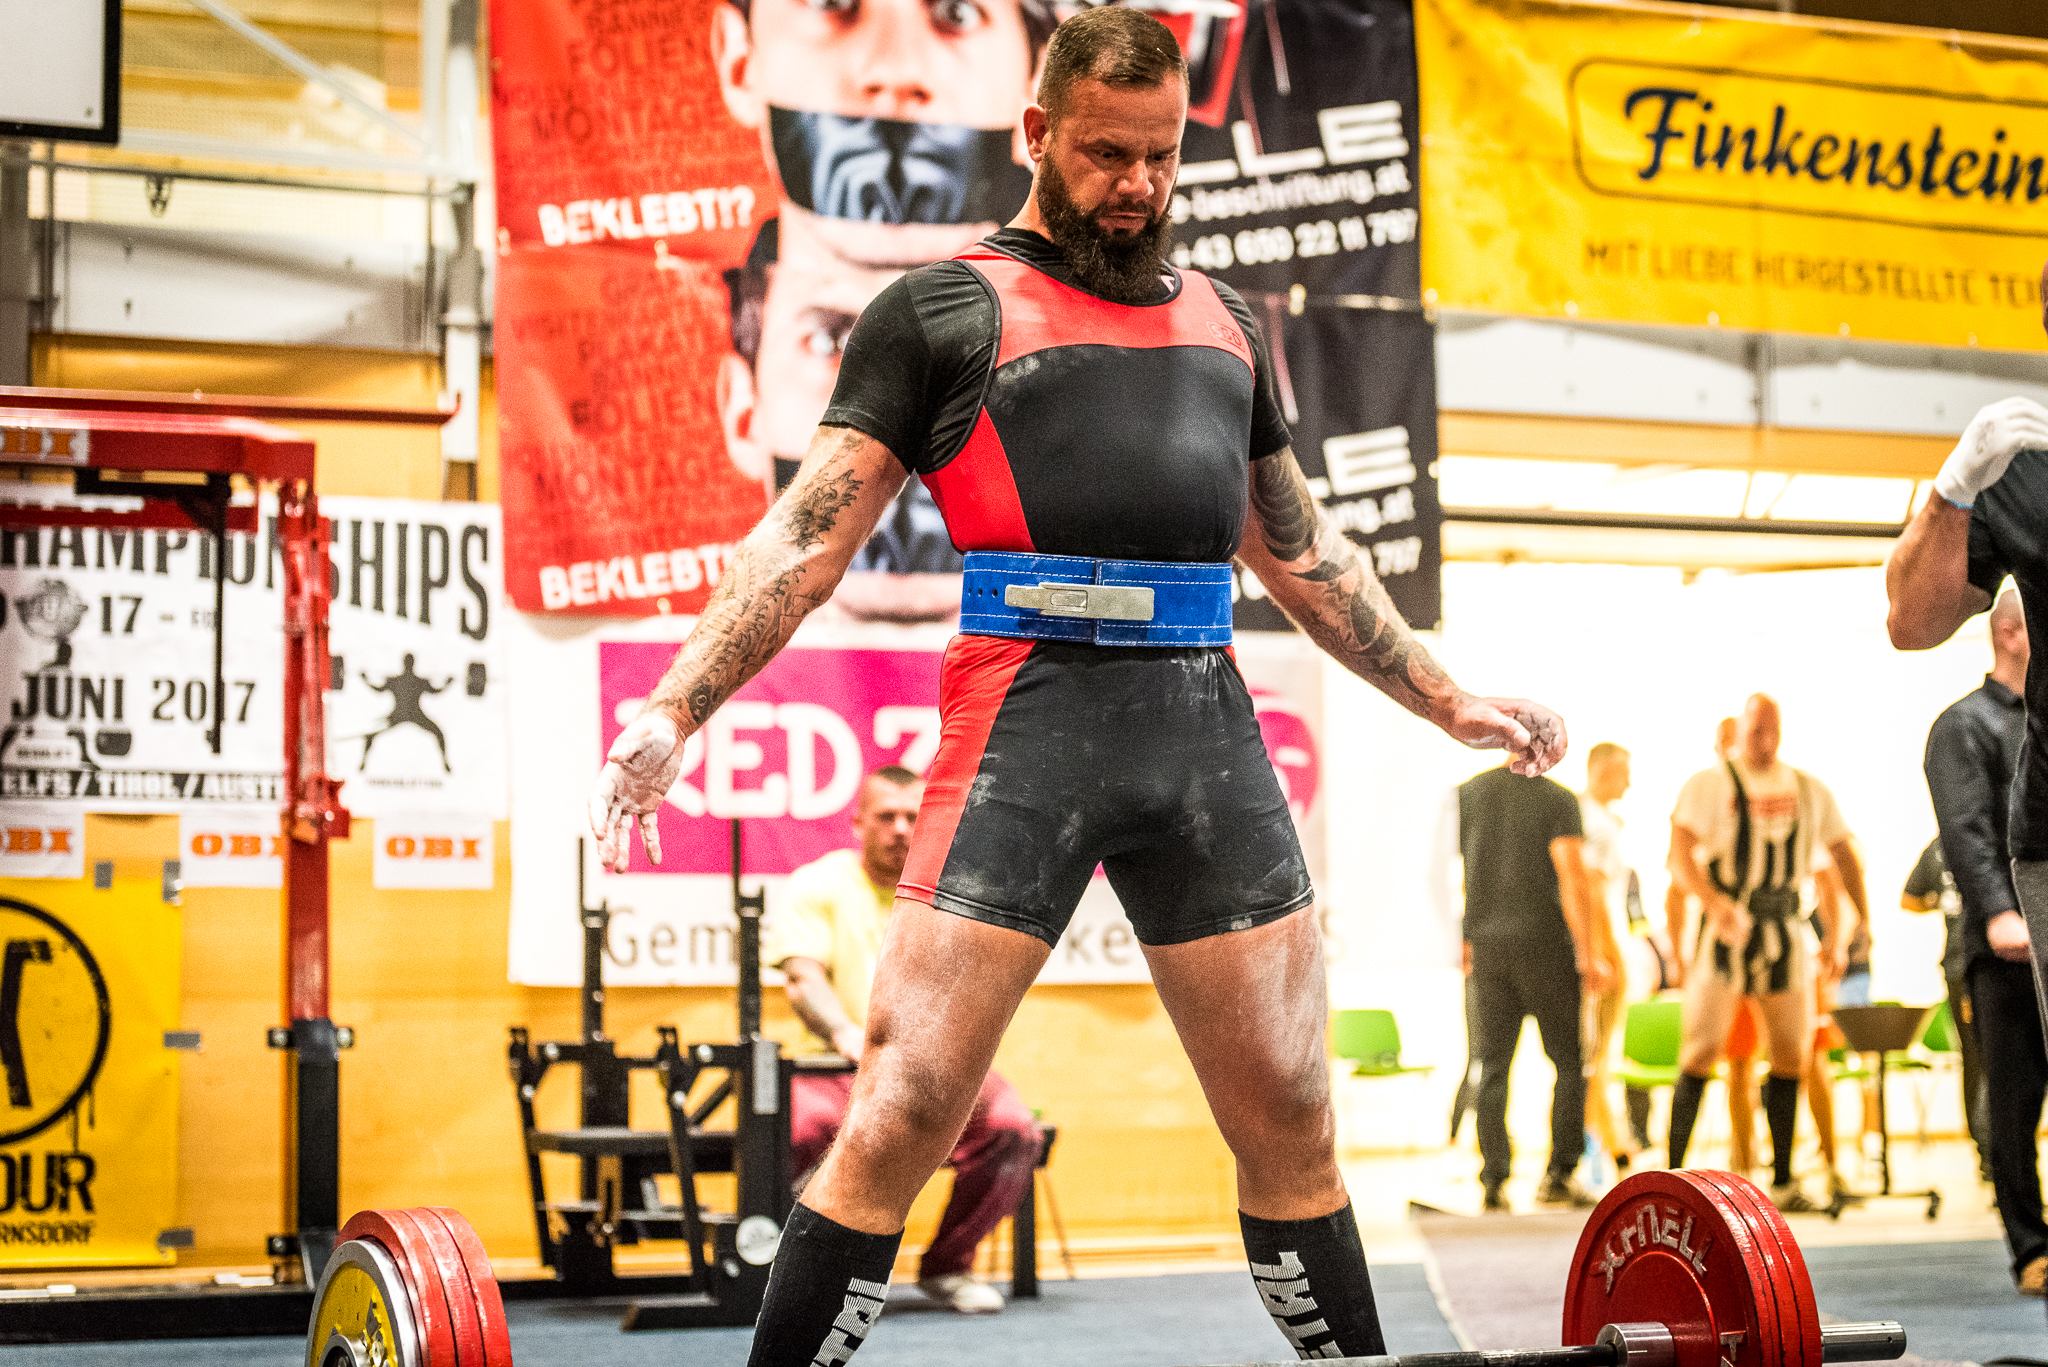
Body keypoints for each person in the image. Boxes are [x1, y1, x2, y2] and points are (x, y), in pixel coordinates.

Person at [590, 12, 1570, 1363]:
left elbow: (1300, 549)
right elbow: (802, 537)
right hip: (1026, 727)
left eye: (1162, 156)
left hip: (1202, 733)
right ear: (1036, 132)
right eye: (1108, 153)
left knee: (1293, 1112)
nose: (1138, 184)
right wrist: (673, 707)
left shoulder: (1226, 322)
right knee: (904, 1105)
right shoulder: (939, 312)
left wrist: (1445, 698)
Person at [768, 765, 1039, 1313]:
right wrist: (845, 1034)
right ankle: (784, 1272)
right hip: (832, 1068)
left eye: (913, 817)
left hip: (933, 1069)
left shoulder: (956, 893)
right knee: (797, 1131)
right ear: (858, 823)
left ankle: (948, 1267)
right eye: (886, 816)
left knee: (1011, 1129)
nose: (899, 828)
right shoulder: (817, 886)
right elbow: (802, 978)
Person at [1665, 693, 1864, 1213]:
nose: (1765, 740)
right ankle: (1672, 1178)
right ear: (1740, 732)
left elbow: (1841, 858)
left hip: (1785, 931)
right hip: (1727, 932)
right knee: (1702, 1051)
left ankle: (1782, 1178)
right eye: (1756, 730)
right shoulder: (1709, 785)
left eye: (1773, 729)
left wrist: (1851, 929)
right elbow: (1678, 855)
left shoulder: (1808, 789)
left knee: (1793, 1053)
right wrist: (1712, 905)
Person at [1919, 588, 2044, 1295]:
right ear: (2010, 633)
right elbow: (1965, 831)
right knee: (2014, 1101)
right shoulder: (1963, 726)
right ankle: (2032, 1248)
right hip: (2005, 946)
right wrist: (1999, 911)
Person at [1457, 761, 1608, 1212]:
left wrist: (1464, 937)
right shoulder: (1558, 799)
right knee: (1569, 1063)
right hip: (1547, 947)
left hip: (1488, 948)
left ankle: (1493, 1180)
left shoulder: (1470, 793)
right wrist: (1588, 952)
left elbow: (1462, 872)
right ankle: (1559, 1175)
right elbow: (1571, 874)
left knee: (1491, 1065)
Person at [1901, 838, 1991, 1179]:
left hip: (1967, 962)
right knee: (1981, 1058)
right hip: (1965, 963)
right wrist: (1941, 901)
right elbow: (1908, 900)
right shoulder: (1951, 844)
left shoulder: (1937, 847)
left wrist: (1938, 901)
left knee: (1977, 1058)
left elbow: (1910, 899)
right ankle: (1987, 1150)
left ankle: (1988, 1151)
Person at [1578, 742, 1643, 1169]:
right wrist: (1610, 955)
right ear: (1602, 771)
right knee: (1596, 1057)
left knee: (1597, 1057)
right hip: (1604, 952)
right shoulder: (1596, 823)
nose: (1629, 783)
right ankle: (1602, 1148)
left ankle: (1608, 1144)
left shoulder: (1592, 819)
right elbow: (1593, 892)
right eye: (1624, 773)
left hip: (1601, 947)